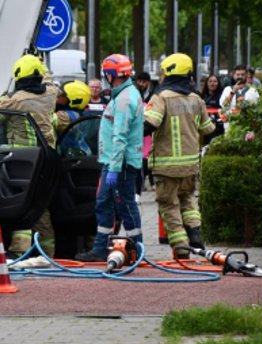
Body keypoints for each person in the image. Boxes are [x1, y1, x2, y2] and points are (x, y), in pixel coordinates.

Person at [143, 53, 216, 258]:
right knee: (188, 200)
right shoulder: (197, 100)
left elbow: (149, 124)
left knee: (169, 205)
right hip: (190, 165)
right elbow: (208, 129)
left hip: (166, 167)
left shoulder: (161, 98)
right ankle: (196, 236)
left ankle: (181, 248)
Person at [76, 54, 144, 262]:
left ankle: (137, 250)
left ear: (111, 74)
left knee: (125, 205)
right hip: (117, 161)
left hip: (120, 163)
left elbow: (120, 136)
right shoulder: (125, 94)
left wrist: (114, 168)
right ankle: (101, 247)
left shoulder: (124, 100)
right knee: (105, 202)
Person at [0, 54, 59, 258]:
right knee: (42, 206)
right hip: (48, 158)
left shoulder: (16, 101)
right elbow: (48, 80)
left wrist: (4, 95)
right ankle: (47, 253)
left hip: (25, 160)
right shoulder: (51, 94)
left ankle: (19, 250)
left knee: (23, 204)